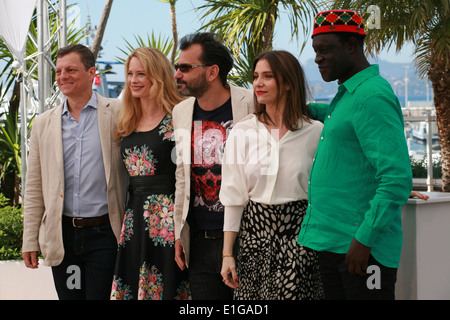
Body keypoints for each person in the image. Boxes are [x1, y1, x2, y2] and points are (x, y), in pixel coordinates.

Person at [297, 10, 413, 300]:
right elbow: (342, 122)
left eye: (325, 50)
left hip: (360, 251)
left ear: (352, 45)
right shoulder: (350, 94)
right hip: (335, 244)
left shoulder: (371, 95)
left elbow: (396, 178)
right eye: (315, 51)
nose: (317, 58)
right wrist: (305, 110)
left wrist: (365, 239)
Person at [21, 44, 126, 300]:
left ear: (91, 72)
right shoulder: (44, 123)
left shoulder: (118, 113)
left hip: (105, 236)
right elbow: (34, 186)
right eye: (58, 71)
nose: (62, 76)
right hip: (63, 237)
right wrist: (30, 240)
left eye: (70, 70)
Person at [219, 50, 324, 300]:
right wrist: (227, 254)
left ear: (288, 83)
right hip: (254, 240)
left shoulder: (315, 132)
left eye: (268, 76)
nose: (258, 83)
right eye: (255, 76)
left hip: (302, 239)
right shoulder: (242, 132)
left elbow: (333, 183)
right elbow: (234, 197)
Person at [172, 32, 254, 299]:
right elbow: (182, 177)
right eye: (177, 67)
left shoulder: (252, 103)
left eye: (185, 67)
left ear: (212, 72)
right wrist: (178, 234)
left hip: (247, 239)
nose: (177, 74)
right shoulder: (181, 111)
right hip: (200, 241)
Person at [110, 47, 191, 300]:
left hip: (167, 220)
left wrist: (180, 229)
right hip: (133, 220)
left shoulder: (178, 117)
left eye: (141, 74)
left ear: (157, 76)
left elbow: (187, 177)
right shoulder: (127, 120)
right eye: (130, 74)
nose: (133, 80)